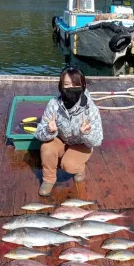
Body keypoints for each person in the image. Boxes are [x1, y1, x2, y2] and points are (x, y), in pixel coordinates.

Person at [35, 66, 103, 197]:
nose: (71, 88)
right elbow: (38, 133)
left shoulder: (91, 109)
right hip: (61, 139)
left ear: (83, 85)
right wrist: (49, 130)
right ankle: (48, 180)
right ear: (61, 86)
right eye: (66, 84)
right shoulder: (53, 104)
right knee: (46, 148)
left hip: (81, 143)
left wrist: (87, 133)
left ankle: (79, 166)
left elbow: (98, 140)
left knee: (69, 165)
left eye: (75, 84)